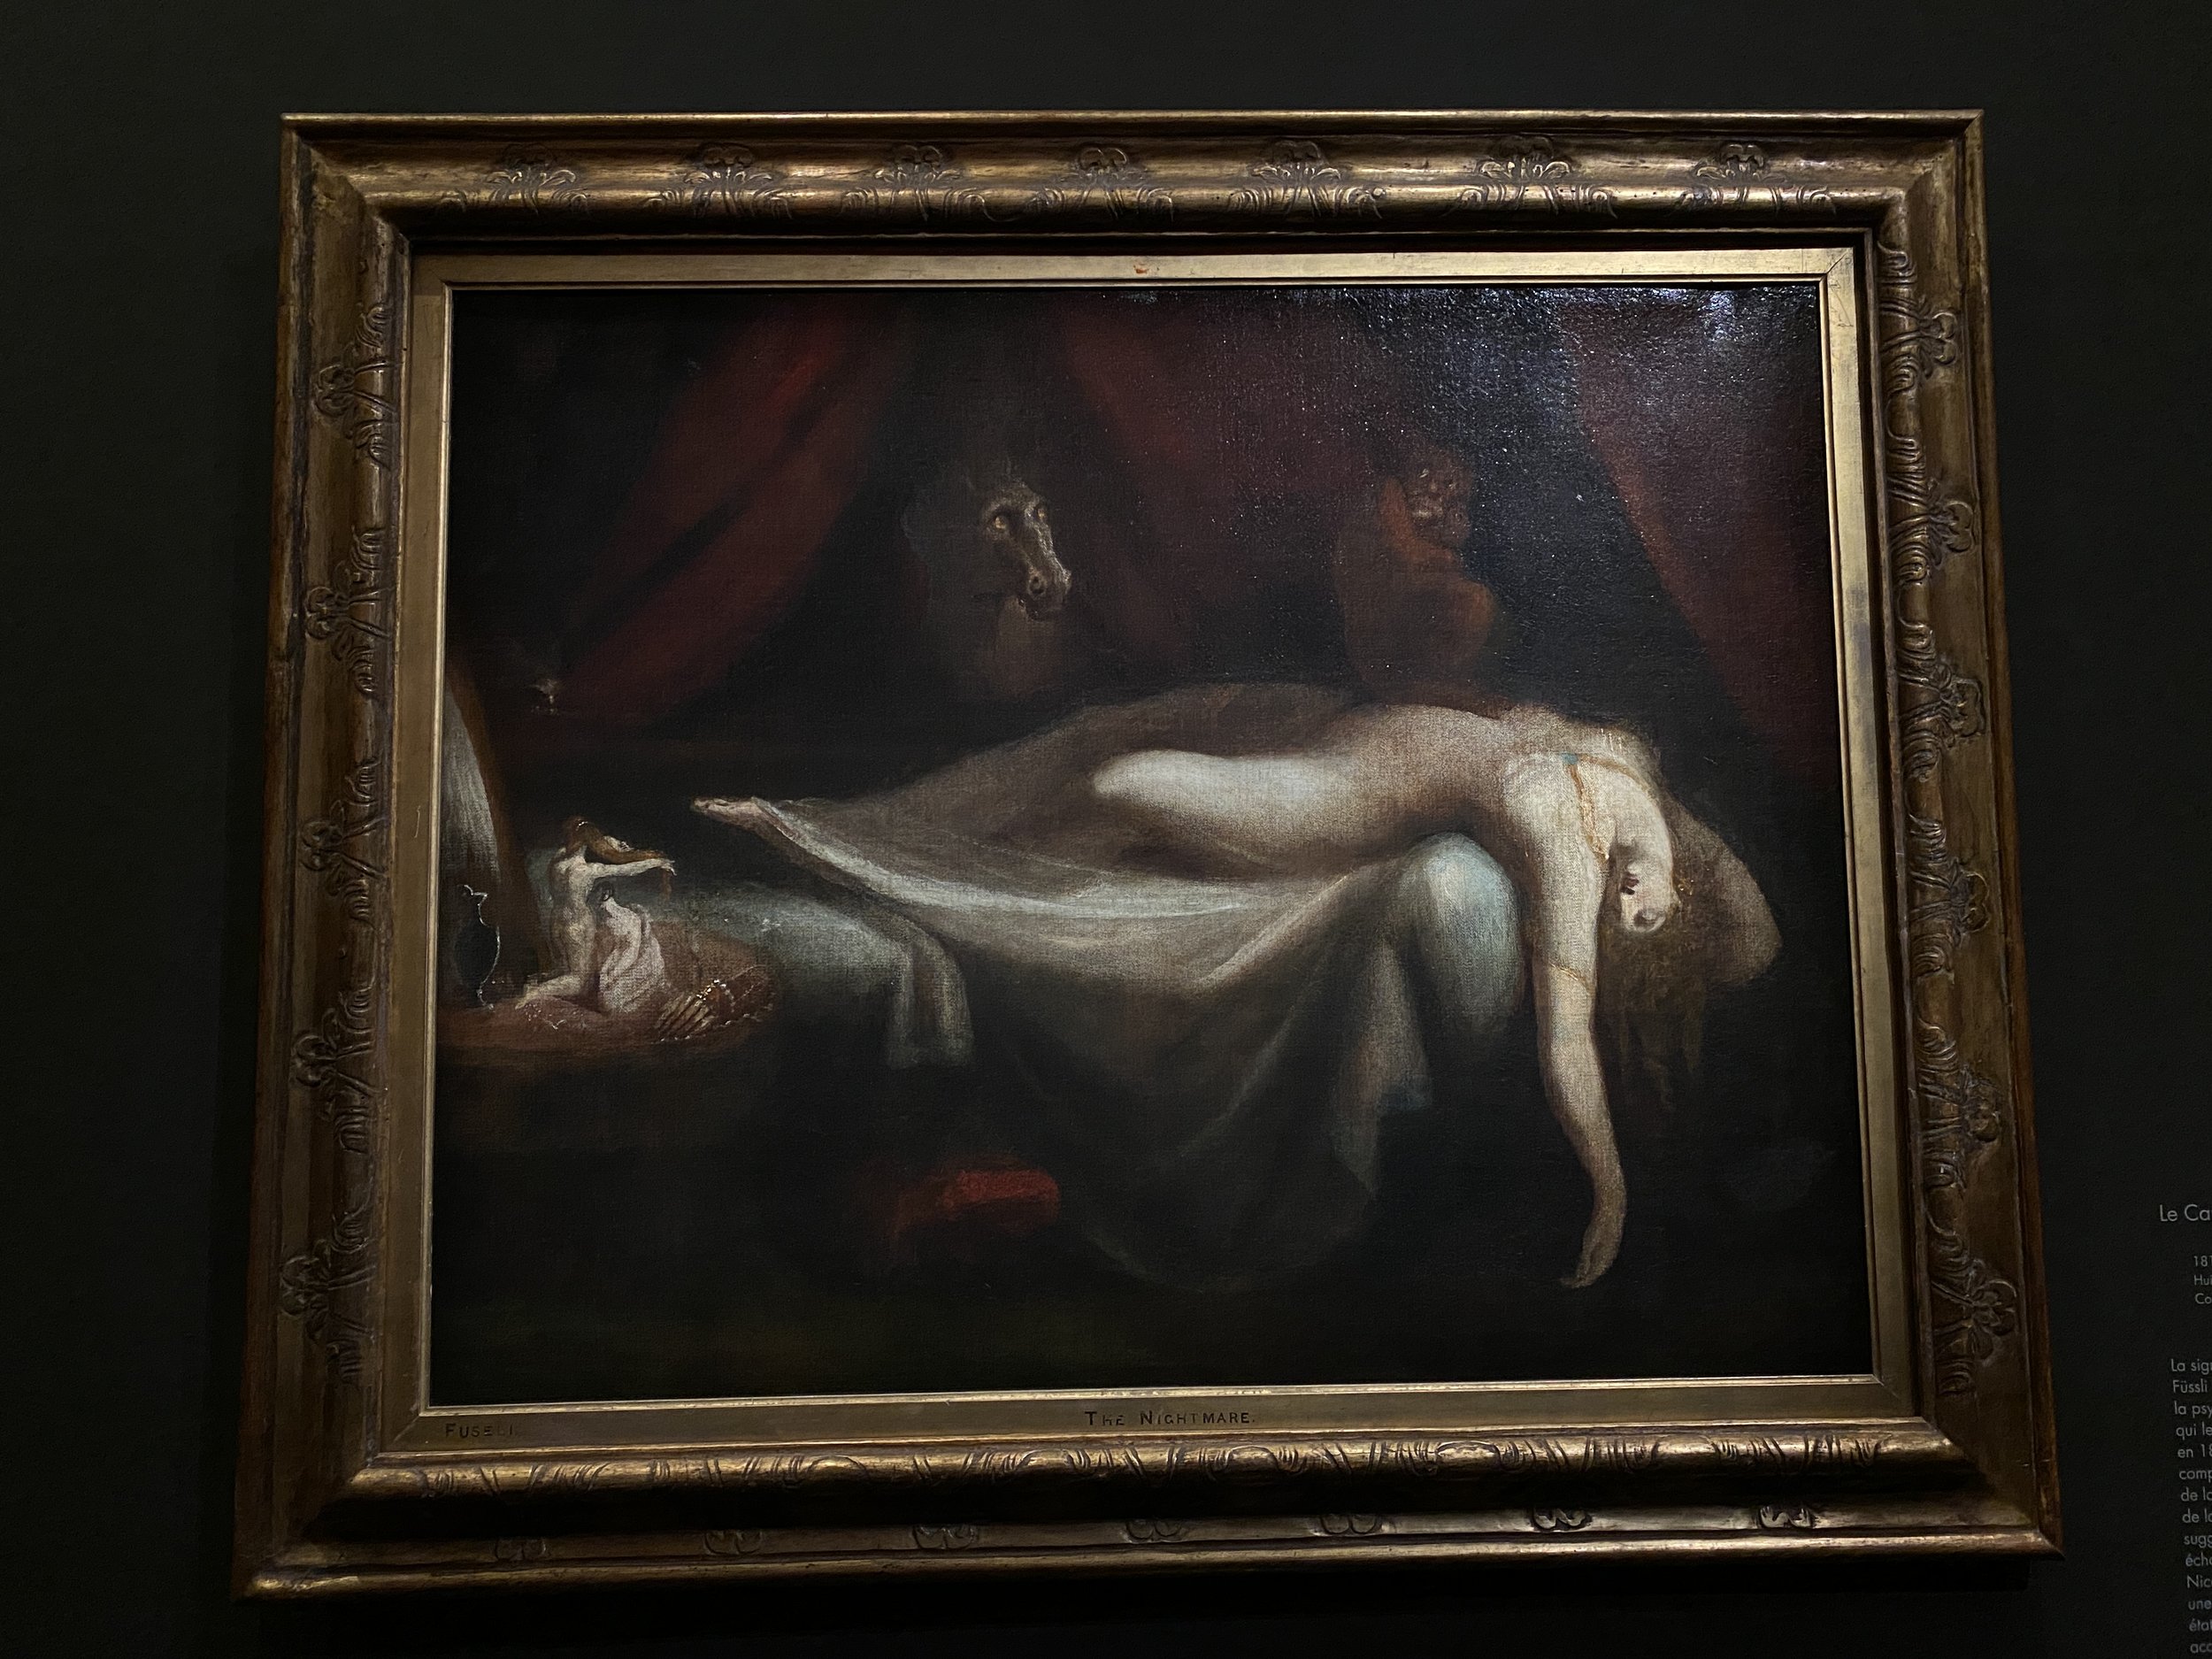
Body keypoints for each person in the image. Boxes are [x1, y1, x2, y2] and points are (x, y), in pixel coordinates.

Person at [1087, 700, 1778, 1287]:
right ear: (1683, 895)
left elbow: (1567, 1040)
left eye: (1622, 924)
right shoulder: (1642, 783)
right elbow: (1757, 936)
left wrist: (1609, 1187)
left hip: (1366, 792)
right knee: (1117, 784)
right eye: (1648, 921)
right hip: (1382, 747)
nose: (1627, 908)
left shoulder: (1576, 852)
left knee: (1124, 786)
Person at [518, 818, 677, 1012]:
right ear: (590, 842)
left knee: (565, 969)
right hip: (577, 925)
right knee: (579, 982)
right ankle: (534, 992)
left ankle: (538, 983)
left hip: (556, 922)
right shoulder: (585, 871)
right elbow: (626, 869)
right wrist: (657, 862)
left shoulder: (557, 861)